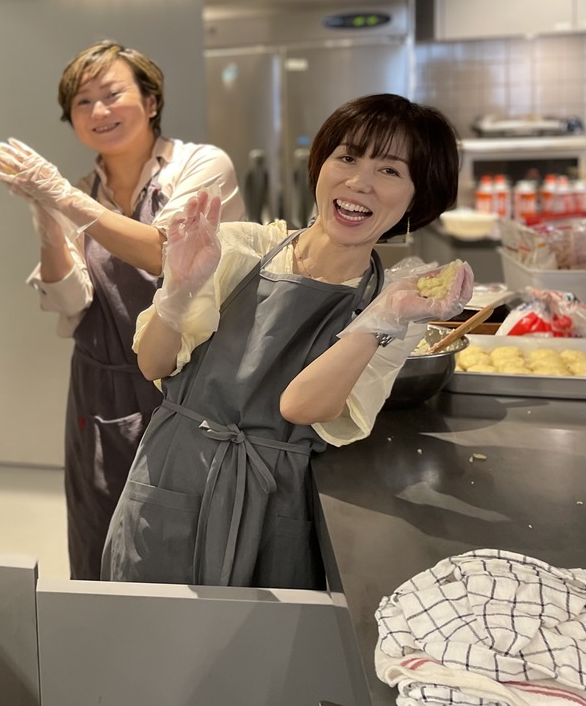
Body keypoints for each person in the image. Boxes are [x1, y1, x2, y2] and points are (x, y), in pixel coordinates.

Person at [100, 93, 473, 590]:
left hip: (274, 501)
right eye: (347, 157)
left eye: (389, 170)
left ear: (416, 198)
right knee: (148, 627)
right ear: (321, 166)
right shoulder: (241, 247)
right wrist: (179, 291)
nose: (359, 182)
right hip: (172, 476)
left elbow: (299, 407)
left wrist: (379, 319)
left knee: (259, 639)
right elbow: (153, 364)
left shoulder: (395, 306)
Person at [0, 40, 245, 580]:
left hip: (190, 389)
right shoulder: (80, 192)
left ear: (151, 102)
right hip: (101, 394)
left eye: (111, 94)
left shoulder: (201, 165)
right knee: (99, 543)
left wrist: (60, 196)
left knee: (184, 546)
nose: (98, 111)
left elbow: (165, 251)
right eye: (82, 102)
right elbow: (71, 302)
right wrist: (46, 216)